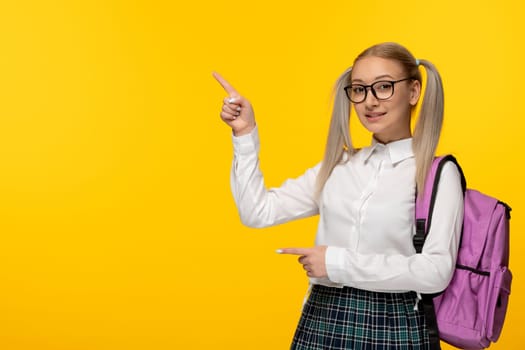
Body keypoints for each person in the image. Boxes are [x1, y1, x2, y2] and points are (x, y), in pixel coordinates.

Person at [213, 42, 464, 350]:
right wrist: (245, 134)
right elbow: (257, 212)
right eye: (359, 90)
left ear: (413, 92)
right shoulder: (339, 166)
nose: (369, 101)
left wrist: (337, 263)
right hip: (324, 317)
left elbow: (436, 272)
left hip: (395, 325)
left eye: (384, 87)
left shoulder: (437, 173)